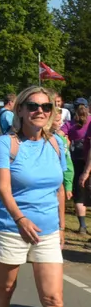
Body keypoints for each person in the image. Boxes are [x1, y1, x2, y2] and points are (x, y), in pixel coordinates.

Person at [0, 86, 91, 307]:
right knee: (6, 288)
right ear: (20, 110)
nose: (40, 111)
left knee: (53, 297)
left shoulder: (57, 142)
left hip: (46, 231)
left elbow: (59, 188)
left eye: (46, 107)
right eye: (33, 106)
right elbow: (2, 188)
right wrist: (20, 219)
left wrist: (61, 227)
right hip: (12, 227)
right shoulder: (6, 144)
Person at [64, 99, 90, 234]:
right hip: (87, 161)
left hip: (76, 162)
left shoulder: (70, 124)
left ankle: (83, 226)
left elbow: (60, 136)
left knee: (79, 194)